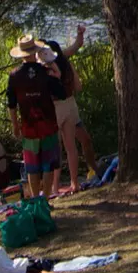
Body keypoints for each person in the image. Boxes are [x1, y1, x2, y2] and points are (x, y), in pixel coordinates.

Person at [5, 35, 66, 200]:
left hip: (28, 126)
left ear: (21, 54)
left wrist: (15, 125)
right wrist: (55, 71)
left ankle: (34, 199)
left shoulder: (14, 76)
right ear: (35, 52)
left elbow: (11, 103)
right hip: (48, 124)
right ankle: (45, 199)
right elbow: (62, 93)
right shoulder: (45, 73)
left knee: (32, 166)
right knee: (48, 166)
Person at [45, 27, 91, 194]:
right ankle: (74, 183)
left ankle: (55, 187)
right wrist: (80, 35)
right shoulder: (65, 61)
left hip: (55, 108)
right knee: (71, 147)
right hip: (70, 105)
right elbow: (76, 46)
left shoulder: (48, 67)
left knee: (56, 149)